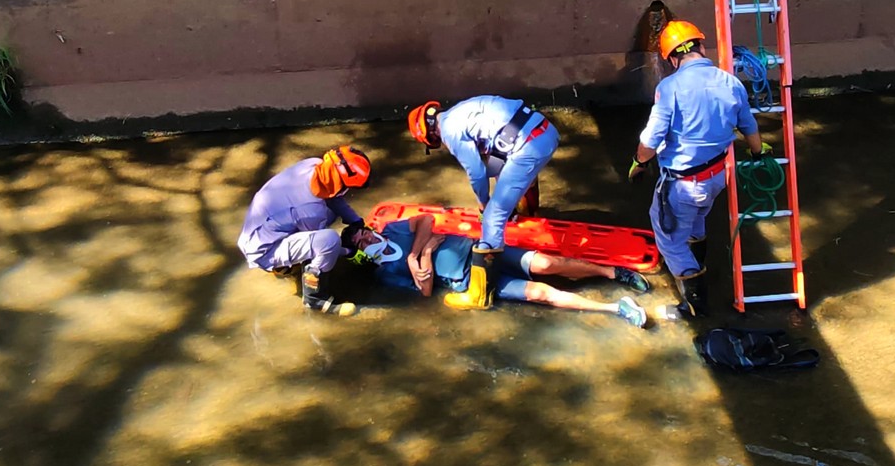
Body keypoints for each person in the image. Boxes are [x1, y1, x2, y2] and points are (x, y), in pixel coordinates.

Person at [628, 20, 766, 315]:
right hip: (717, 176)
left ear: (672, 58)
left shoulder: (670, 88)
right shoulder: (730, 81)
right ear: (701, 47)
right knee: (697, 219)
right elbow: (749, 126)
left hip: (683, 183)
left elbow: (650, 141)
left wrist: (639, 163)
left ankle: (693, 306)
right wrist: (758, 152)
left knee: (668, 238)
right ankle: (699, 262)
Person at [355, 213, 651, 327]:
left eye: (364, 233)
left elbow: (426, 221)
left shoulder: (393, 230)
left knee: (547, 264)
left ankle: (612, 273)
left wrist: (416, 254)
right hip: (471, 280)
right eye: (361, 243)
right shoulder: (385, 273)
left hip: (481, 251)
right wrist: (428, 253)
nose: (367, 238)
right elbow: (426, 291)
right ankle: (616, 308)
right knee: (540, 293)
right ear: (362, 253)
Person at [406, 96, 558, 305]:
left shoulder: (450, 132)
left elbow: (476, 173)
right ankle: (528, 215)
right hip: (545, 131)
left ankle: (480, 293)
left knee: (493, 216)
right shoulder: (461, 111)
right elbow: (496, 151)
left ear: (430, 135)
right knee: (503, 175)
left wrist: (484, 204)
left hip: (529, 147)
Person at [238, 145, 376, 315]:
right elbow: (325, 247)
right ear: (341, 184)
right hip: (263, 250)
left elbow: (332, 196)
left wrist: (356, 221)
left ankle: (284, 267)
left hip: (260, 229)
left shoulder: (314, 165)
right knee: (329, 240)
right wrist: (350, 252)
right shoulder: (310, 212)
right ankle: (314, 298)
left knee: (327, 217)